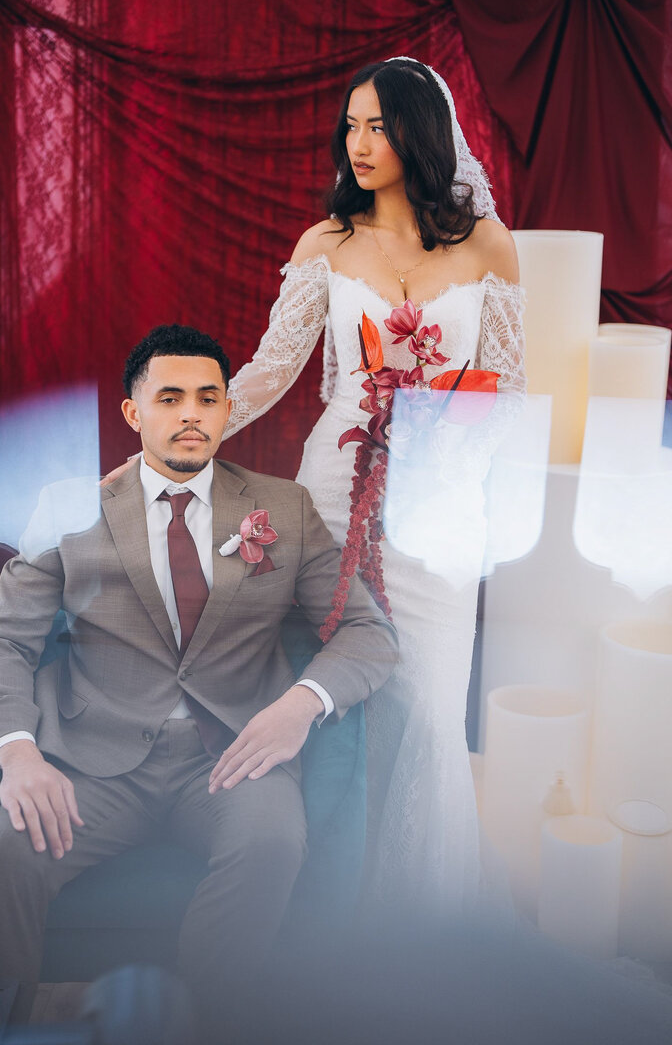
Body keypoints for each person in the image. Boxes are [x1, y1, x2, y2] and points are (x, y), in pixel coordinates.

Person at [0, 324, 397, 1018]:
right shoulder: (69, 508)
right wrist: (17, 753)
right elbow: (1, 644)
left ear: (227, 409)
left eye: (207, 397)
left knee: (274, 842)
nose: (191, 412)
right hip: (93, 761)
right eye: (170, 397)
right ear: (135, 413)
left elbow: (368, 634)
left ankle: (196, 1022)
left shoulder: (283, 508)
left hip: (230, 758)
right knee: (8, 854)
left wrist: (301, 705)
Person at [220, 56, 527, 917]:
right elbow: (275, 369)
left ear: (419, 133)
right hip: (333, 489)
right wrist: (198, 422)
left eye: (378, 126)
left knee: (427, 702)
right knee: (340, 693)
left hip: (440, 509)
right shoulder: (326, 244)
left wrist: (442, 460)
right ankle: (335, 915)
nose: (358, 143)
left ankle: (420, 920)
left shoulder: (489, 247)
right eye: (351, 125)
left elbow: (505, 389)